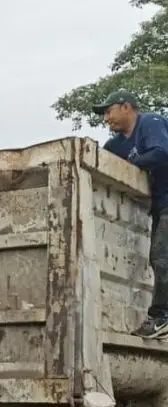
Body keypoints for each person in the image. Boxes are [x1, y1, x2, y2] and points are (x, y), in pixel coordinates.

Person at [93, 89, 168, 338]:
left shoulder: (150, 122)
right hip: (160, 205)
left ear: (126, 107)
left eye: (108, 110)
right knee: (157, 258)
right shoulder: (117, 144)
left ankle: (161, 317)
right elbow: (101, 161)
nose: (106, 118)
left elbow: (161, 153)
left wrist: (133, 168)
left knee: (161, 258)